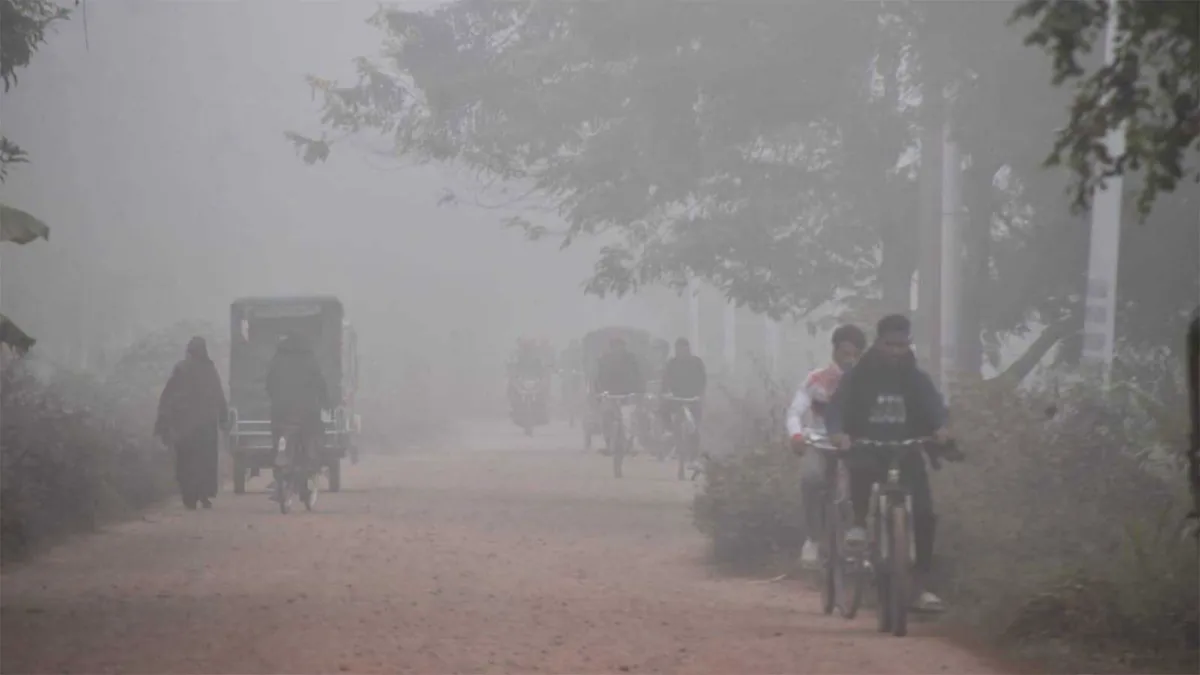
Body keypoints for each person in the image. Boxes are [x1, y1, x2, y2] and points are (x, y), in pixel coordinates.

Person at [825, 314, 951, 612]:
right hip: (868, 447)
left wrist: (941, 427)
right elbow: (837, 407)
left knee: (924, 514)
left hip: (906, 451)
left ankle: (920, 586)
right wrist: (838, 433)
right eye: (890, 344)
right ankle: (857, 524)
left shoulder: (916, 377)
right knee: (860, 471)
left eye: (902, 345)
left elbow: (934, 405)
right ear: (879, 343)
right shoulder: (859, 375)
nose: (897, 351)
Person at [785, 324, 867, 570]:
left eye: (855, 354)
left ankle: (864, 543)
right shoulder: (815, 379)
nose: (849, 359)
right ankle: (812, 538)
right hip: (819, 443)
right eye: (844, 352)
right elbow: (794, 412)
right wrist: (796, 435)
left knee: (865, 486)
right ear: (834, 351)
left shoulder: (866, 382)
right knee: (811, 479)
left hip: (854, 446)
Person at [155, 337, 228, 510]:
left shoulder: (181, 368)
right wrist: (223, 418)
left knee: (185, 462)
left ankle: (189, 496)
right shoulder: (209, 369)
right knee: (205, 461)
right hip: (206, 425)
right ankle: (203, 495)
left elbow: (168, 396)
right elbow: (218, 394)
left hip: (185, 427)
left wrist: (163, 422)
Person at [265, 333, 330, 469]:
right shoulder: (310, 359)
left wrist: (276, 399)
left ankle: (279, 456)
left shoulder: (278, 359)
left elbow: (269, 384)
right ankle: (311, 464)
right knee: (312, 434)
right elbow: (320, 384)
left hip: (281, 411)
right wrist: (326, 403)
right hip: (307, 410)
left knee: (278, 434)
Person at [661, 337, 707, 428]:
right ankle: (669, 431)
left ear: (688, 349)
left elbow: (703, 379)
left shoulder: (697, 362)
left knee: (696, 425)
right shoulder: (672, 363)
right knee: (662, 410)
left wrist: (701, 394)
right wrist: (664, 392)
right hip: (676, 398)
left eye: (683, 348)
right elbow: (665, 379)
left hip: (693, 399)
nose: (681, 351)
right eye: (678, 349)